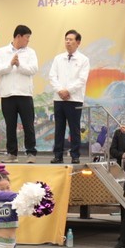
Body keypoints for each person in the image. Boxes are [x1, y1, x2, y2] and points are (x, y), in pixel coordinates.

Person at [0, 25, 39, 162]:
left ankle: (31, 153)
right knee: (10, 126)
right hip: (7, 94)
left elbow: (33, 69)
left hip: (24, 94)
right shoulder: (2, 52)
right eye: (27, 37)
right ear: (18, 36)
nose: (28, 40)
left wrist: (19, 64)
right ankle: (12, 154)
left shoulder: (30, 52)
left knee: (28, 125)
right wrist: (10, 64)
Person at [48, 30, 90, 164]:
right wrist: (60, 91)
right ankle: (58, 155)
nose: (68, 42)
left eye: (71, 39)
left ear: (78, 42)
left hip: (74, 99)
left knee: (74, 128)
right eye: (66, 39)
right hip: (59, 98)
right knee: (59, 128)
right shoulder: (58, 58)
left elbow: (82, 79)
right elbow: (52, 77)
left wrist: (68, 91)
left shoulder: (84, 60)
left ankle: (75, 155)